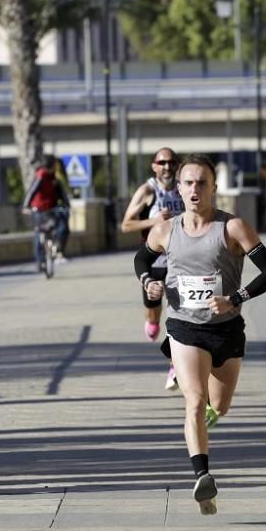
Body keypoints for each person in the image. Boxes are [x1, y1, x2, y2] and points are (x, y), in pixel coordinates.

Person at [133, 154, 266, 515]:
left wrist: (235, 298)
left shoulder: (233, 228)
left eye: (202, 182)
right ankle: (203, 477)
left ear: (214, 187)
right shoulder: (166, 230)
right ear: (179, 188)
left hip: (227, 331)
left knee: (221, 405)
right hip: (185, 327)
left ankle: (204, 424)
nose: (195, 189)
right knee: (194, 401)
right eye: (188, 183)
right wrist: (148, 282)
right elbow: (142, 259)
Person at [121, 147, 184, 390]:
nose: (168, 167)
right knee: (153, 318)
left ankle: (175, 367)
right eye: (163, 162)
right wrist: (154, 221)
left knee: (180, 317)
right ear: (154, 166)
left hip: (181, 263)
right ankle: (151, 323)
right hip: (154, 264)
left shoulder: (184, 187)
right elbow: (126, 224)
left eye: (172, 162)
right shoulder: (148, 191)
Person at [23, 157, 70, 270]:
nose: (56, 167)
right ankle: (40, 261)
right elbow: (32, 191)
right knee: (39, 234)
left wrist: (66, 205)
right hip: (39, 209)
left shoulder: (53, 177)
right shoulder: (41, 176)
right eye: (55, 165)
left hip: (51, 208)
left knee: (63, 225)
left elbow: (61, 193)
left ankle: (58, 248)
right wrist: (26, 206)